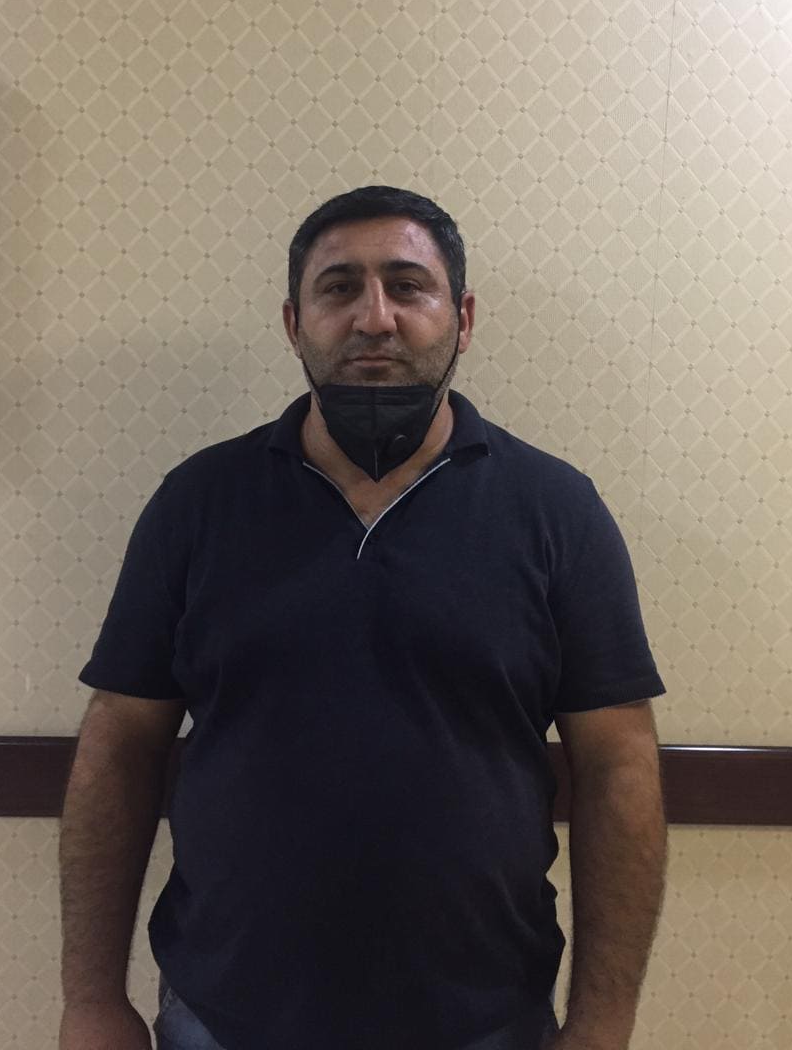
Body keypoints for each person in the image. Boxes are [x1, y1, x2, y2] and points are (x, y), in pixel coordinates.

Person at [59, 186, 667, 1050]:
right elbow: (119, 743)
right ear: (293, 323)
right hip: (222, 1017)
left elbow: (618, 768)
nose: (374, 318)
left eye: (407, 287)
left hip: (485, 1020)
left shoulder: (557, 512)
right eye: (339, 288)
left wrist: (604, 1022)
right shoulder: (197, 503)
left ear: (462, 318)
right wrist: (90, 1000)